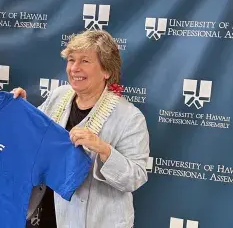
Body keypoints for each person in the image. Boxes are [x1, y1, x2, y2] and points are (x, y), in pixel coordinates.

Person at [14, 30, 150, 228]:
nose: (74, 68)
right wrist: (20, 109)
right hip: (47, 215)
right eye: (71, 60)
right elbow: (32, 137)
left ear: (107, 71)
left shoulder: (130, 117)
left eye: (85, 61)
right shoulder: (58, 96)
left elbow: (136, 177)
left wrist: (103, 149)